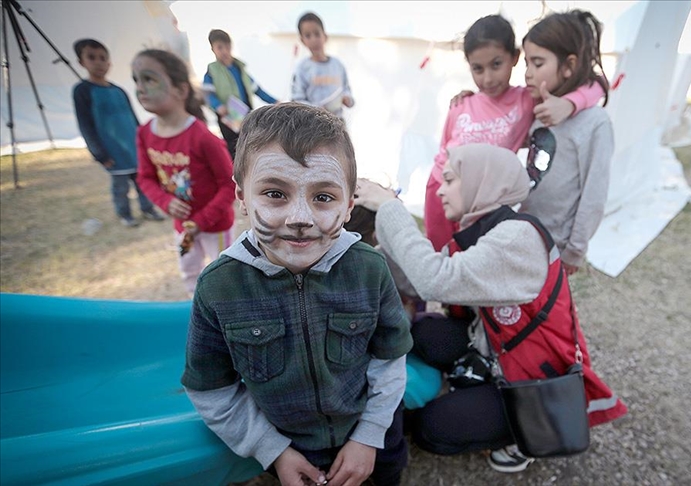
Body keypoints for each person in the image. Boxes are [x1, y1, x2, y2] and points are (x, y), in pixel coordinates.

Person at [355, 143, 627, 474]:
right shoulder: (482, 233)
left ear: (485, 183)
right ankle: (473, 386)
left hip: (531, 381)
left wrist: (390, 208)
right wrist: (367, 253)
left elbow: (434, 281)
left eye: (451, 180)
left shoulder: (516, 239)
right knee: (425, 331)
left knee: (431, 428)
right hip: (496, 353)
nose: (440, 190)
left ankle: (519, 434)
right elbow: (417, 280)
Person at [181, 102, 414, 486]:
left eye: (323, 197)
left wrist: (370, 436)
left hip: (374, 434)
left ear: (348, 204)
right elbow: (211, 388)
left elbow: (390, 360)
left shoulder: (369, 269)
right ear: (242, 196)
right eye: (275, 193)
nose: (300, 218)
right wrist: (271, 451)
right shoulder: (219, 288)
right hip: (288, 446)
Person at [424, 14, 606, 251]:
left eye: (496, 65)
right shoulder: (461, 104)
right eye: (477, 69)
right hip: (441, 189)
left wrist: (570, 103)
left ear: (514, 58)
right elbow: (444, 148)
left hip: (483, 203)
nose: (487, 78)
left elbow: (598, 84)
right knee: (438, 254)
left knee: (471, 261)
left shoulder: (526, 100)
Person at [133, 49, 235, 297]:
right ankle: (196, 312)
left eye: (150, 79)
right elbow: (145, 178)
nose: (140, 88)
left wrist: (200, 222)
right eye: (136, 79)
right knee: (189, 272)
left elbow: (230, 185)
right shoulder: (144, 134)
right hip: (183, 228)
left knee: (223, 276)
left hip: (215, 226)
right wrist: (166, 202)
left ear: (180, 90)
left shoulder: (203, 138)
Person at [519, 10, 614, 275]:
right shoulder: (538, 109)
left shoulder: (595, 123)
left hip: (556, 245)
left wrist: (575, 250)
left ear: (569, 65)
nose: (528, 73)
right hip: (525, 231)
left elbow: (594, 193)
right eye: (526, 63)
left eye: (537, 64)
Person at [71, 38, 164, 228]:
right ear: (81, 62)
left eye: (102, 58)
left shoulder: (119, 90)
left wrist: (144, 142)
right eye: (92, 57)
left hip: (133, 148)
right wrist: (99, 153)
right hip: (112, 152)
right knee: (120, 187)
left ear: (109, 62)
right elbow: (86, 126)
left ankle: (148, 209)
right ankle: (125, 214)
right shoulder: (83, 91)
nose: (98, 62)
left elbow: (133, 119)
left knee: (142, 182)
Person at [202, 29, 279, 159]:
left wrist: (275, 102)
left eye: (227, 46)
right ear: (213, 49)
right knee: (234, 150)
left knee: (253, 144)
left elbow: (257, 90)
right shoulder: (212, 72)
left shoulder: (240, 68)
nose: (225, 51)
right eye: (220, 47)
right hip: (227, 118)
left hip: (246, 114)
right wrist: (218, 106)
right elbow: (207, 95)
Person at [291, 12, 354, 118]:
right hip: (314, 125)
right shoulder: (302, 68)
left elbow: (347, 90)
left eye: (317, 34)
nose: (313, 40)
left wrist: (347, 99)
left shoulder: (337, 65)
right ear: (302, 40)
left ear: (325, 36)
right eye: (308, 36)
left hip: (338, 122)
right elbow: (297, 100)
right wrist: (317, 109)